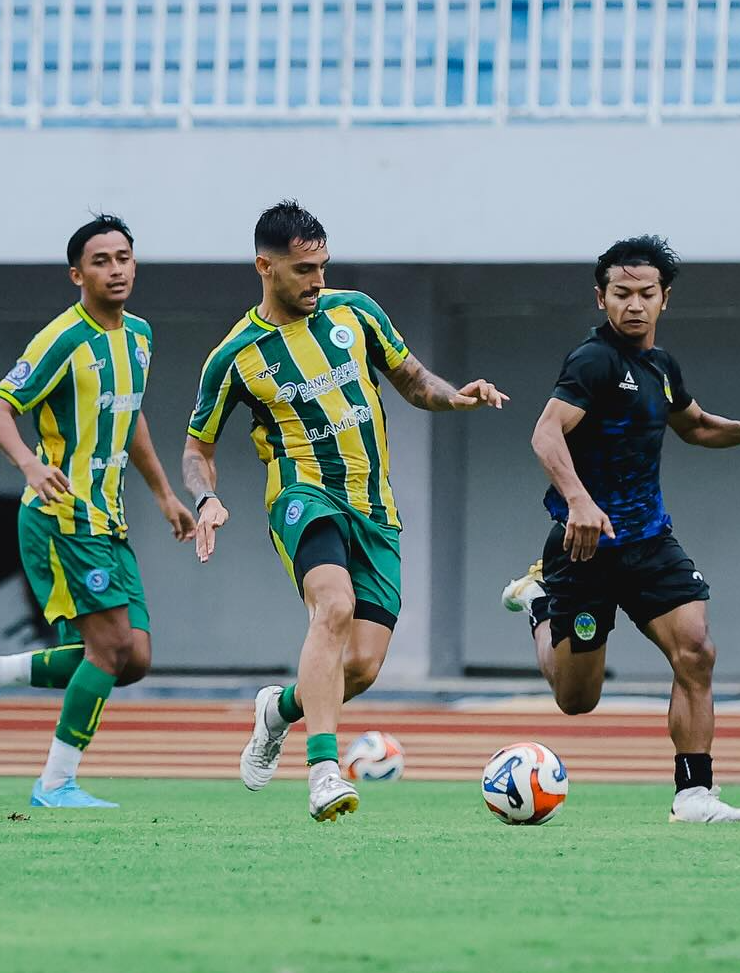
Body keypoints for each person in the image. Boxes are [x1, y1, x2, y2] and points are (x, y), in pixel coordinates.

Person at [182, 200, 508, 822]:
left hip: (375, 507)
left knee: (357, 667)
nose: (317, 281)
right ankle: (324, 771)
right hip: (302, 496)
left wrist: (456, 397)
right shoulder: (235, 356)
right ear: (265, 266)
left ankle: (278, 710)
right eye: (304, 269)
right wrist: (207, 497)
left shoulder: (355, 313)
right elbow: (197, 448)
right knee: (333, 607)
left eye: (323, 266)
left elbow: (413, 380)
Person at [501, 235, 740, 823]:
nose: (634, 305)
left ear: (664, 299)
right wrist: (579, 502)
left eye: (647, 293)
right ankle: (540, 601)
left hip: (649, 541)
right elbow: (545, 433)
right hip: (583, 546)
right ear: (601, 298)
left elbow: (693, 426)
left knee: (696, 650)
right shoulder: (591, 362)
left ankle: (694, 794)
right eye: (621, 293)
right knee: (576, 700)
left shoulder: (661, 366)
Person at [0, 214, 196, 808]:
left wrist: (164, 493)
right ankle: (55, 783)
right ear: (76, 273)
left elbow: (129, 414)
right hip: (60, 515)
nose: (115, 269)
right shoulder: (62, 337)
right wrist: (30, 466)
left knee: (132, 658)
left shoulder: (139, 335)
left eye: (123, 258)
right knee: (108, 649)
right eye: (101, 261)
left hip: (109, 518)